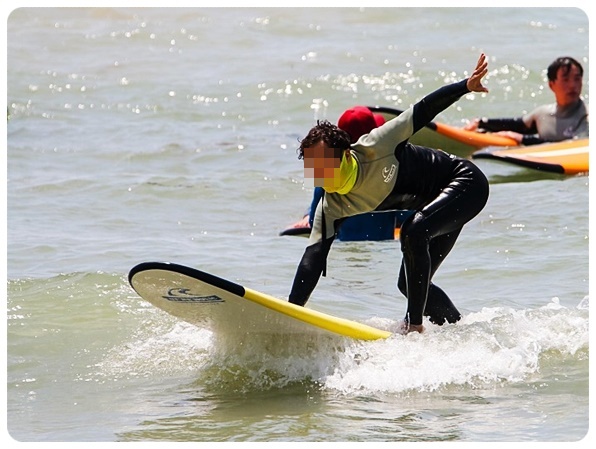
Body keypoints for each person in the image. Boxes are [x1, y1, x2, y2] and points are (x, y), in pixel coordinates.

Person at [288, 54, 491, 334]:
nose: (318, 173)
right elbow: (311, 261)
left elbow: (423, 109)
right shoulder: (330, 206)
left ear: (345, 155)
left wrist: (465, 86)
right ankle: (461, 334)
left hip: (465, 182)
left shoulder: (377, 145)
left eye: (324, 164)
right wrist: (289, 315)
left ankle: (414, 328)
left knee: (412, 231)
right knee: (408, 283)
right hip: (435, 206)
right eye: (312, 166)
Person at [289, 106, 405, 241]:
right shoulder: (389, 174)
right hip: (380, 252)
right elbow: (408, 216)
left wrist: (308, 215)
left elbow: (316, 221)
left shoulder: (325, 176)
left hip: (343, 250)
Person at [464, 56, 588, 145]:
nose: (573, 85)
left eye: (577, 79)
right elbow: (520, 125)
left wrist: (522, 139)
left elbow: (578, 145)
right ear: (551, 85)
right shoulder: (543, 114)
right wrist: (481, 123)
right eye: (566, 79)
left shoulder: (588, 116)